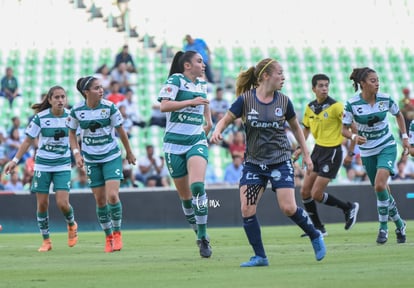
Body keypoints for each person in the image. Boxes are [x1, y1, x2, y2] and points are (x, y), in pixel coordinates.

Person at [210, 58, 326, 267]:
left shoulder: (283, 101)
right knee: (247, 209)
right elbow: (225, 119)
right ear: (265, 76)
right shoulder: (245, 100)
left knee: (288, 208)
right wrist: (218, 130)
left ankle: (314, 234)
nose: (283, 77)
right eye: (279, 73)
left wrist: (306, 155)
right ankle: (260, 257)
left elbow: (297, 129)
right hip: (254, 164)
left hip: (280, 161)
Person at [66, 76, 136, 253]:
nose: (101, 90)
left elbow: (121, 130)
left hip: (111, 156)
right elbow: (72, 134)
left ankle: (118, 233)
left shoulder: (110, 107)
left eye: (101, 87)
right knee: (100, 200)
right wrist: (77, 154)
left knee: (112, 196)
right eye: (97, 88)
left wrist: (129, 151)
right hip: (91, 159)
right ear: (86, 92)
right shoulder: (76, 111)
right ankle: (108, 237)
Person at [4, 85, 78, 252]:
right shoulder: (40, 118)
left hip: (62, 164)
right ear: (50, 100)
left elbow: (76, 138)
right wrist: (15, 160)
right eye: (57, 97)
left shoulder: (71, 117)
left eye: (63, 97)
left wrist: (79, 155)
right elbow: (28, 141)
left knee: (62, 203)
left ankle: (72, 224)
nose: (60, 100)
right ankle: (46, 241)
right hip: (43, 165)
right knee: (42, 204)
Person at [342, 67, 408, 244]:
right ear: (362, 84)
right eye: (372, 80)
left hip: (387, 145)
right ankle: (400, 225)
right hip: (367, 151)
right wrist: (354, 136)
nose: (377, 83)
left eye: (377, 80)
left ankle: (383, 229)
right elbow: (343, 129)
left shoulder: (385, 99)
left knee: (379, 185)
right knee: (383, 190)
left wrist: (405, 137)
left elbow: (399, 115)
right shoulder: (352, 104)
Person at [158, 50, 213, 258]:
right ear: (187, 65)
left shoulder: (202, 84)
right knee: (186, 198)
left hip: (195, 140)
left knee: (197, 186)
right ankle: (198, 234)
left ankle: (205, 236)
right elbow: (164, 105)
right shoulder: (176, 80)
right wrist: (190, 102)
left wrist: (209, 122)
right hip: (173, 146)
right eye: (199, 61)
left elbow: (204, 101)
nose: (203, 64)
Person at [292, 74, 359, 237]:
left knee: (316, 194)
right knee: (304, 192)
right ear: (313, 88)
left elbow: (353, 129)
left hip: (333, 152)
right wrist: (301, 148)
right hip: (317, 151)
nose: (324, 88)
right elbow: (306, 130)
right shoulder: (310, 108)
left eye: (326, 85)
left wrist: (350, 153)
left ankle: (348, 207)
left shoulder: (336, 106)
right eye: (320, 86)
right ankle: (318, 228)